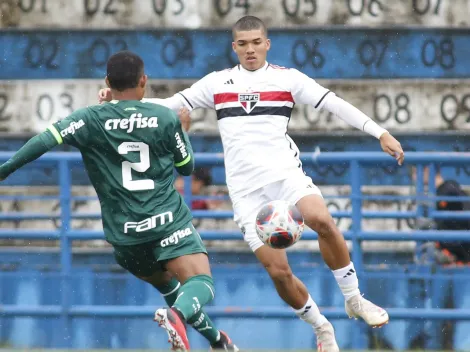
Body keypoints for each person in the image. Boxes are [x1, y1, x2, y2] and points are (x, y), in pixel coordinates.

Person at [99, 16, 404, 351]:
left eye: (256, 42)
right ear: (234, 47)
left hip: (285, 175)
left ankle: (354, 298)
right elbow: (171, 104)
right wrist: (118, 102)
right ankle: (321, 326)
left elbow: (334, 103)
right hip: (245, 193)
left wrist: (380, 132)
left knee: (321, 220)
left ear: (267, 43)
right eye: (242, 44)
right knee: (279, 273)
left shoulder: (287, 79)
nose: (250, 49)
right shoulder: (218, 83)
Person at [0, 51, 238, 352]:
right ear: (144, 81)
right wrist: (182, 131)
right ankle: (176, 315)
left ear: (107, 83)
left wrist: (4, 171)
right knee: (201, 283)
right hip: (166, 224)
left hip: (125, 236)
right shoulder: (165, 117)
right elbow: (187, 167)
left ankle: (218, 342)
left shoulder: (89, 119)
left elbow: (43, 141)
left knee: (169, 285)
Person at [413, 165, 470, 264]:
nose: (414, 177)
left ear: (427, 170)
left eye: (416, 172)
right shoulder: (446, 191)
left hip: (460, 256)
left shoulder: (448, 191)